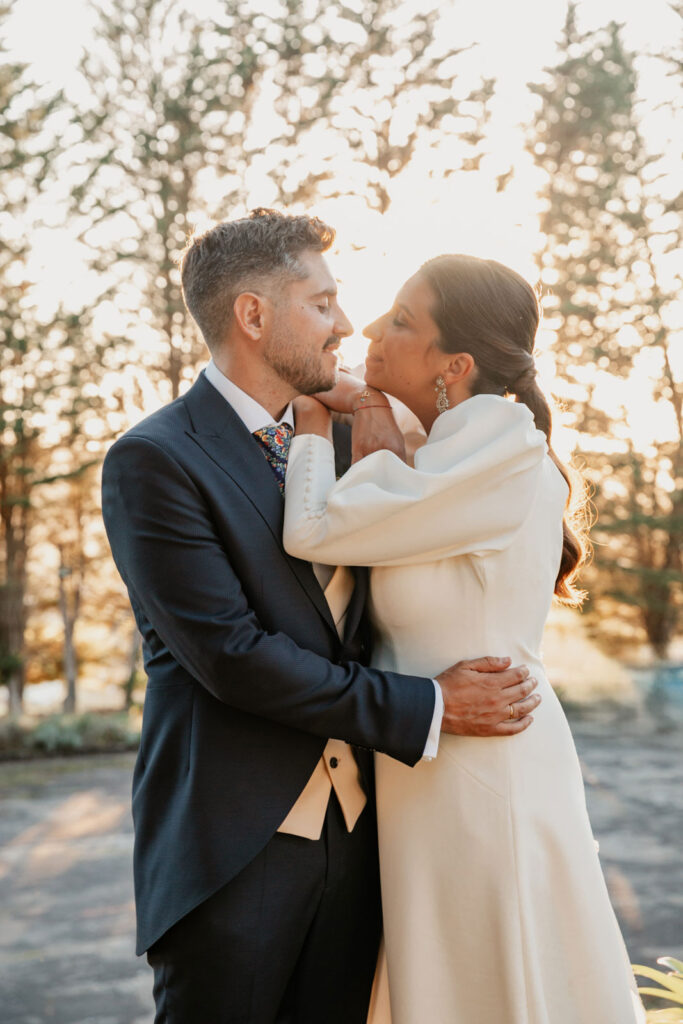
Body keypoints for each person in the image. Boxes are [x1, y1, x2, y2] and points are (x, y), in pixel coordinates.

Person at [100, 211, 540, 1024]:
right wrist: (433, 706)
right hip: (235, 851)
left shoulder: (348, 444)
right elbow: (233, 656)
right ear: (254, 317)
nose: (346, 325)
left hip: (372, 847)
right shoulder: (157, 459)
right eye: (322, 302)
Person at [283, 253, 646, 1024]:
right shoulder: (448, 455)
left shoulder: (502, 450)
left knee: (493, 982)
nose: (373, 331)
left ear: (455, 364)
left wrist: (316, 416)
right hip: (428, 767)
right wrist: (378, 434)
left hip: (485, 772)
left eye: (402, 321)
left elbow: (314, 528)